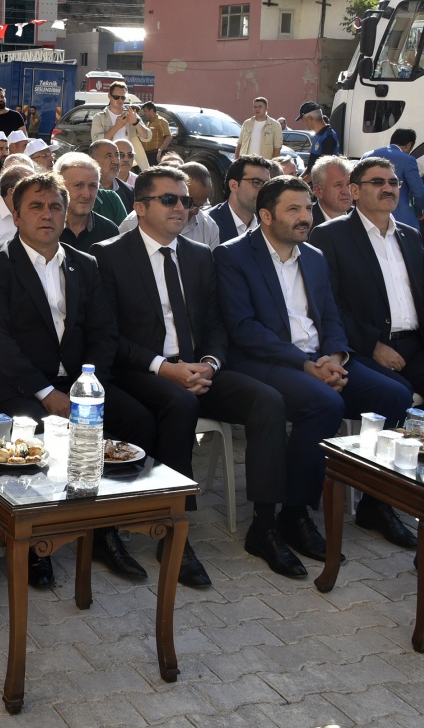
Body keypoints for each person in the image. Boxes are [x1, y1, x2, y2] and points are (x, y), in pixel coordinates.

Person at [92, 166, 296, 580]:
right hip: (140, 371)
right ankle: (174, 533)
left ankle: (265, 523)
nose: (181, 208)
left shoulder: (201, 256)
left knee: (267, 401)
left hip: (199, 369)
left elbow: (218, 325)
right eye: (170, 200)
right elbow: (107, 335)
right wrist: (163, 368)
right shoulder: (108, 255)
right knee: (180, 404)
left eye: (186, 201)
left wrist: (211, 364)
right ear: (141, 206)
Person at [0, 172, 159, 586]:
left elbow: (104, 332)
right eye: (35, 206)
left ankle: (104, 529)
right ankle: (36, 542)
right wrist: (46, 393)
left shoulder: (84, 263)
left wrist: (86, 386)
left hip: (80, 384)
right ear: (15, 216)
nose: (48, 214)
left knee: (138, 421)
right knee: (33, 438)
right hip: (21, 386)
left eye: (55, 206)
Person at [214, 177, 415, 562]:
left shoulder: (314, 256)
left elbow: (330, 316)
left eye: (307, 208)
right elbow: (244, 329)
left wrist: (337, 356)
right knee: (324, 404)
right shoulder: (233, 255)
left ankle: (375, 501)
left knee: (395, 395)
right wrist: (306, 365)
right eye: (294, 209)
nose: (305, 217)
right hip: (265, 363)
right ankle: (291, 514)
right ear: (266, 215)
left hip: (320, 361)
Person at [308, 156, 424, 456]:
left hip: (414, 345)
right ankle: (377, 494)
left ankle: (420, 468)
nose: (388, 188)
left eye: (393, 182)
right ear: (355, 191)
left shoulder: (410, 236)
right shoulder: (329, 236)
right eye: (378, 182)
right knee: (395, 397)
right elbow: (326, 303)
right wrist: (372, 345)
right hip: (364, 348)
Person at [362, 129, 424, 229]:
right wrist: (419, 212)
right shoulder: (408, 160)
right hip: (401, 219)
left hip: (368, 217)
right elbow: (419, 192)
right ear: (409, 144)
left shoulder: (367, 155)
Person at [55, 152, 119, 252]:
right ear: (59, 187)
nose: (86, 194)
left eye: (92, 186)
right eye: (78, 185)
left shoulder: (109, 231)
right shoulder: (45, 228)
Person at [209, 155, 274, 243]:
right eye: (256, 182)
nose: (263, 190)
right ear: (234, 186)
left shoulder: (268, 224)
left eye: (266, 184)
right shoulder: (208, 223)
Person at [90, 81, 152, 171]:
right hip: (109, 164)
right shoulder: (99, 117)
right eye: (116, 97)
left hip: (130, 163)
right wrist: (117, 126)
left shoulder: (131, 114)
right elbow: (97, 142)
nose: (120, 100)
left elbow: (147, 137)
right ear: (109, 96)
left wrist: (136, 123)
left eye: (123, 98)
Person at [310, 155, 353, 224]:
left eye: (349, 184)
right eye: (338, 185)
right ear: (318, 191)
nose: (346, 191)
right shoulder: (306, 222)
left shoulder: (361, 218)